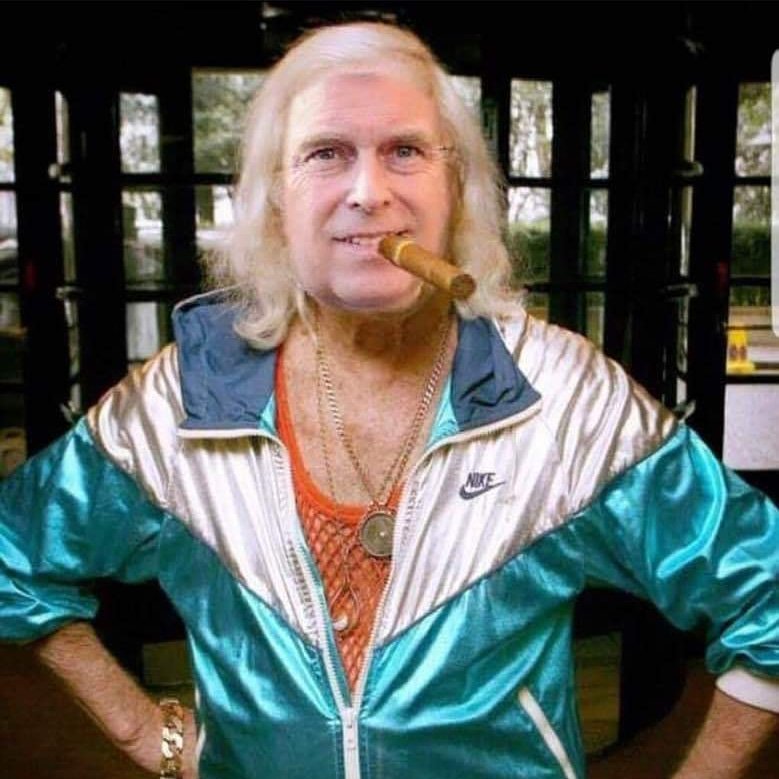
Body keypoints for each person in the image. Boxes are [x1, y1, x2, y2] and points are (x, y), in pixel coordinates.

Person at [0, 21, 777, 779]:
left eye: (405, 151)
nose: (368, 193)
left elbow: (769, 595)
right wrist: (151, 733)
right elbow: (12, 554)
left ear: (456, 190)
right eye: (325, 153)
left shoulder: (565, 397)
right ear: (275, 198)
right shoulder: (181, 398)